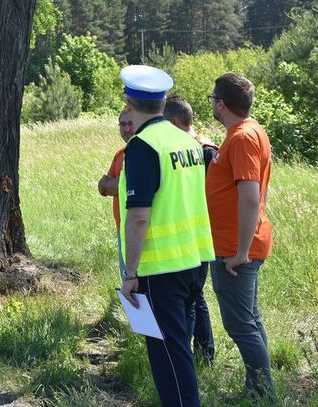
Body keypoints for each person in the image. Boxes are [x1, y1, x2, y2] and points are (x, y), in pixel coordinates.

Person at [118, 65, 215, 407]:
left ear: (129, 102)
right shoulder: (184, 139)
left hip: (161, 269)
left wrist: (130, 274)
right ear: (161, 103)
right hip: (194, 259)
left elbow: (139, 216)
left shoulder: (143, 146)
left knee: (169, 356)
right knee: (179, 348)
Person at [206, 73, 275, 400]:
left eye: (213, 100)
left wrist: (241, 252)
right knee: (250, 320)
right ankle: (258, 389)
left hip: (236, 250)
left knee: (240, 326)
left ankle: (264, 395)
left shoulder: (243, 137)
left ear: (221, 103)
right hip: (237, 244)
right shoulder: (244, 132)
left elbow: (249, 196)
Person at [163, 95, 216, 365]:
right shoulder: (202, 147)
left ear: (173, 122)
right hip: (199, 236)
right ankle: (204, 354)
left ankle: (194, 357)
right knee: (196, 297)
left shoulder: (201, 150)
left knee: (191, 300)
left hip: (196, 236)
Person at [98, 111, 136, 280]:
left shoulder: (145, 152)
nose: (127, 129)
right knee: (127, 280)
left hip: (139, 228)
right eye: (123, 124)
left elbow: (117, 185)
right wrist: (109, 185)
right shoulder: (120, 155)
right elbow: (104, 189)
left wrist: (113, 184)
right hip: (121, 228)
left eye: (130, 123)